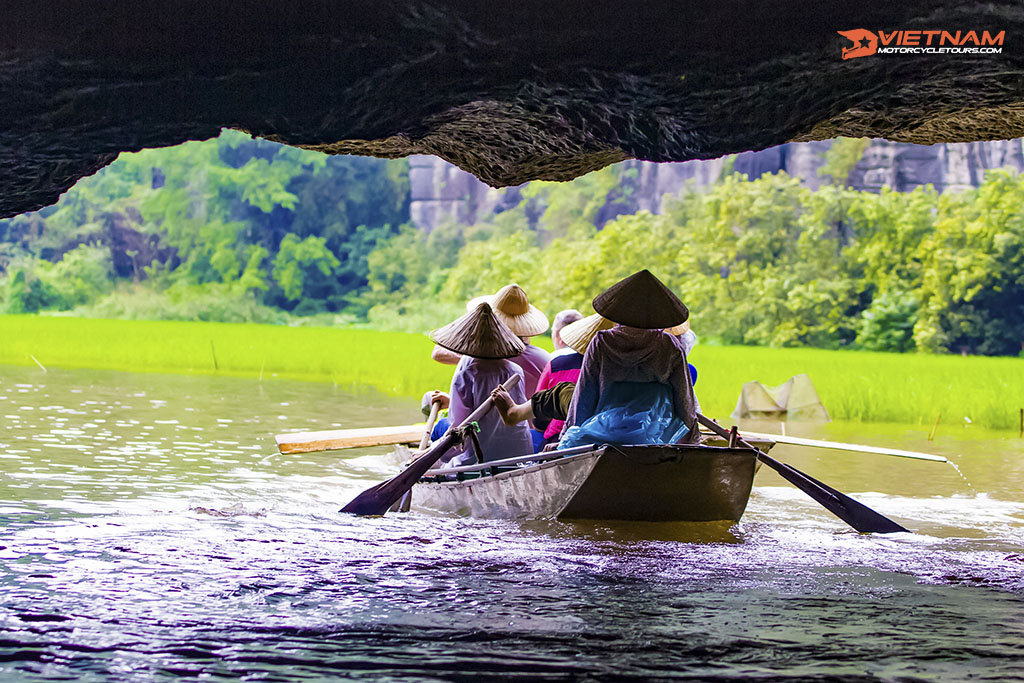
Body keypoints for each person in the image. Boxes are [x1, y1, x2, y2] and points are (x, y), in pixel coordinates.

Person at [561, 270, 699, 446]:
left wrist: (569, 435)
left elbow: (585, 394)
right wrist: (692, 438)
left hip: (606, 435)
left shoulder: (602, 343)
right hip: (657, 439)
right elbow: (683, 398)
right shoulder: (669, 345)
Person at [430, 302, 534, 466]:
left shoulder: (467, 370)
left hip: (479, 455)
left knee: (439, 455)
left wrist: (431, 453)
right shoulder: (515, 370)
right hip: (519, 452)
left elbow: (460, 427)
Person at [431, 284, 551, 397]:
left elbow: (460, 413)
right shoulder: (544, 360)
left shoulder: (470, 361)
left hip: (477, 420)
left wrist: (476, 356)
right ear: (526, 328)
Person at [532, 313, 612, 443]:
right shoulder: (619, 370)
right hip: (605, 436)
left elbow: (539, 414)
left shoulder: (556, 364)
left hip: (559, 436)